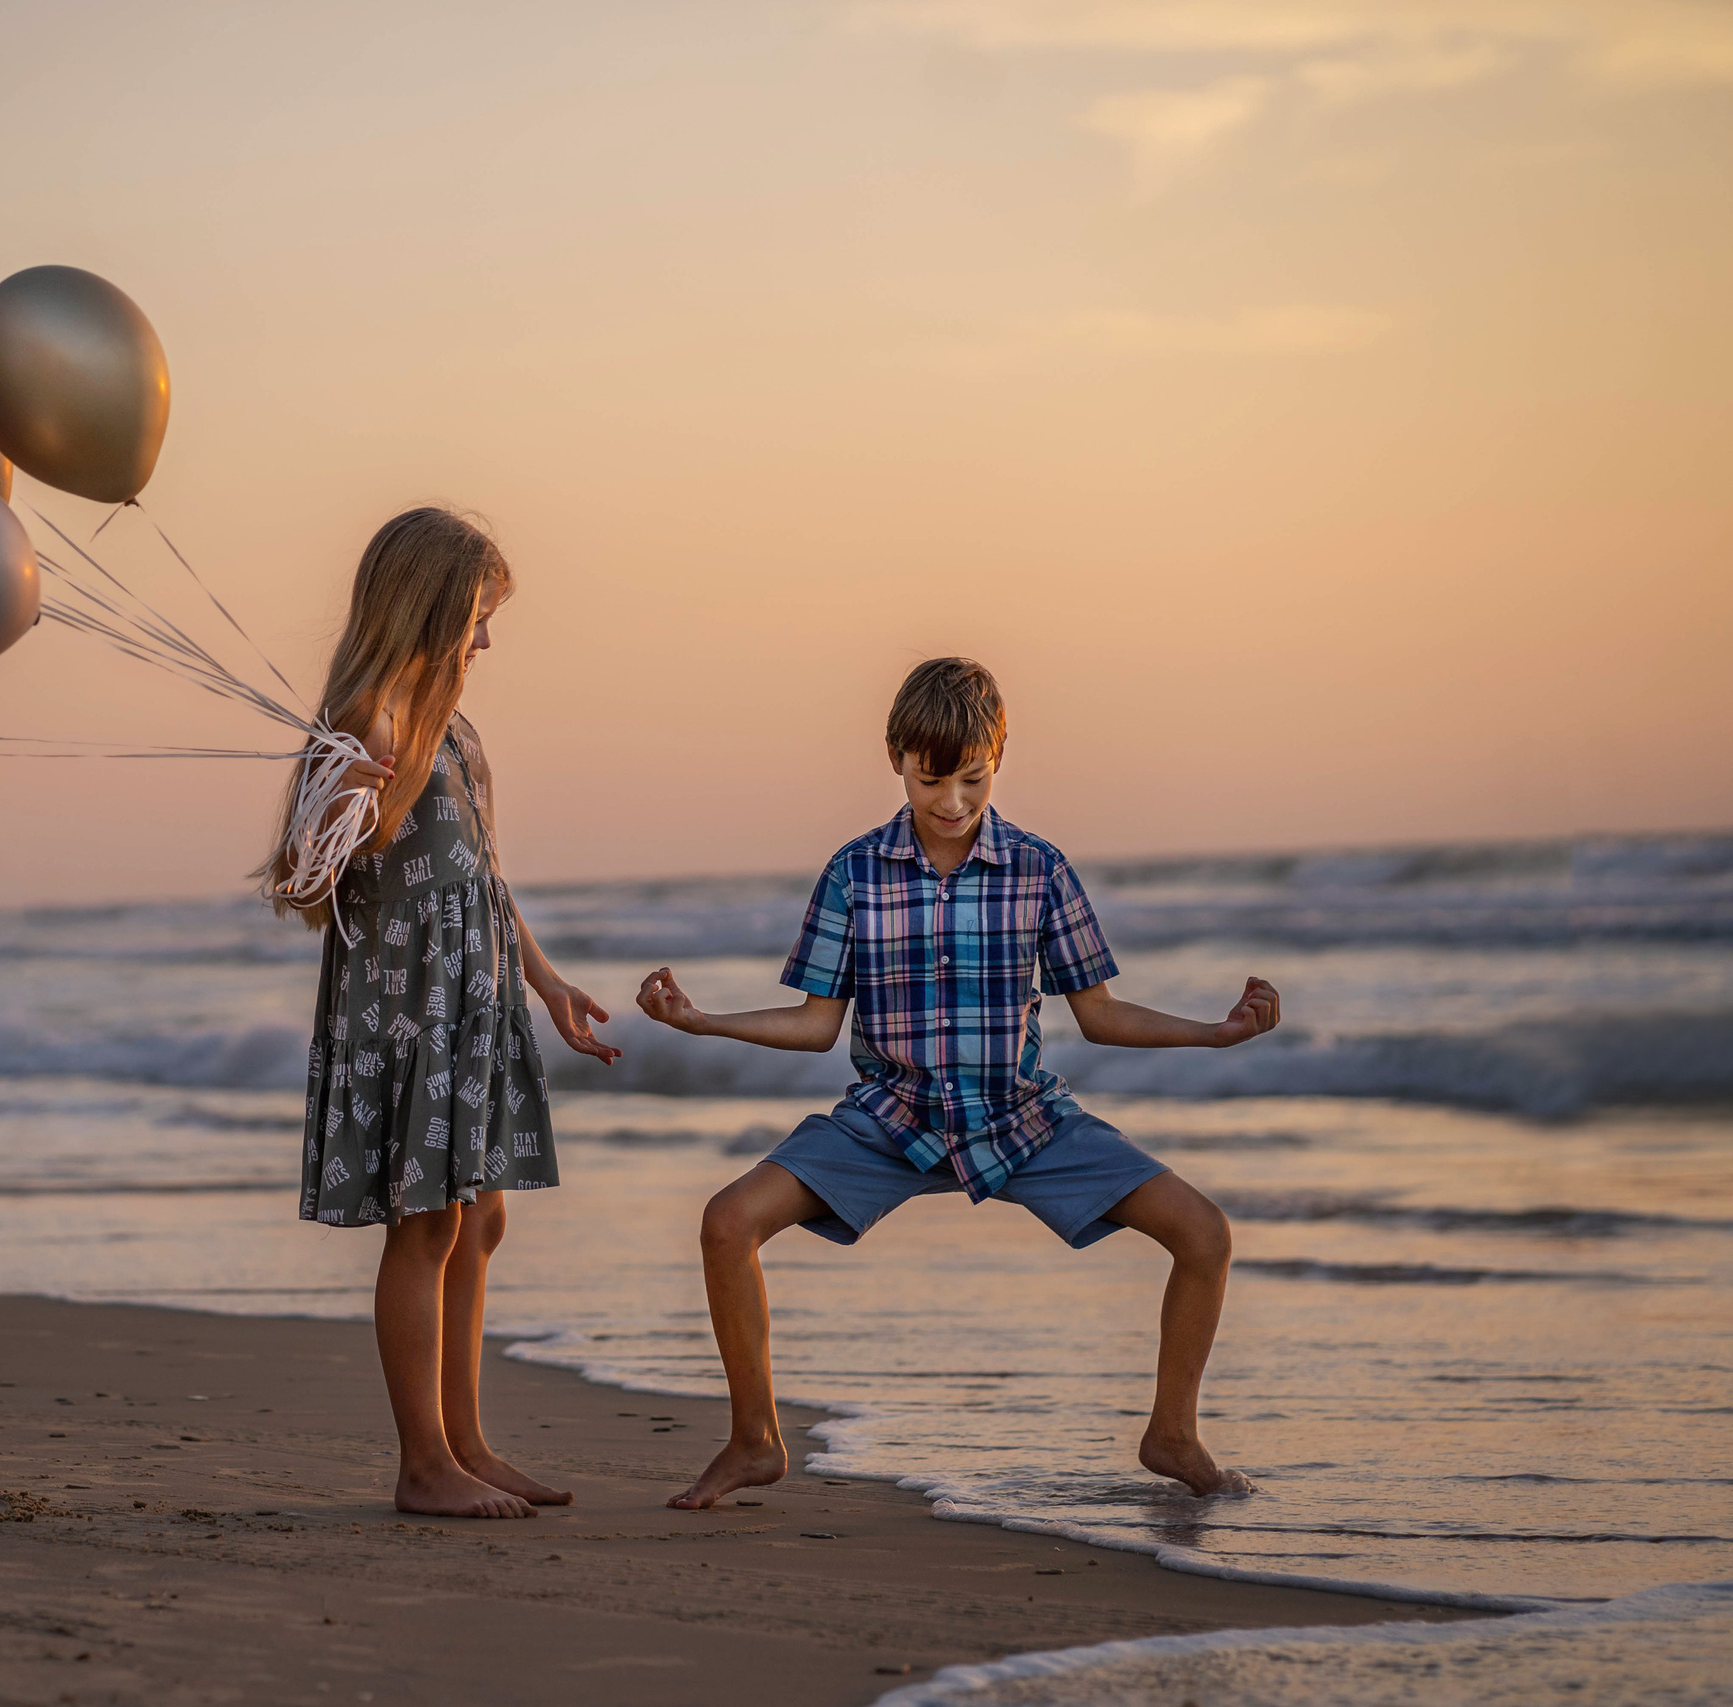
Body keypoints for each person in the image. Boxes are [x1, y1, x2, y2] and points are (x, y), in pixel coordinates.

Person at [635, 656, 1278, 1509]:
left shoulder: (1040, 869)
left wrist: (1216, 1032)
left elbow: (1100, 1014)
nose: (952, 800)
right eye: (930, 778)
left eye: (972, 778)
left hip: (1021, 1119)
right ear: (895, 759)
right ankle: (754, 1439)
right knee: (727, 1221)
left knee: (1204, 1233)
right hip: (888, 1119)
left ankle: (1174, 1432)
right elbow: (816, 1024)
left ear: (998, 757)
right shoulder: (854, 872)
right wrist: (702, 1020)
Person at [264, 506, 619, 1520]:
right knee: (427, 1222)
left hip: (477, 997)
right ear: (426, 609)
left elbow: (482, 876)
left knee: (481, 1216)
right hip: (408, 1008)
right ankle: (423, 1463)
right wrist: (345, 802)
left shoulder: (456, 732)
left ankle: (467, 1442)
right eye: (475, 617)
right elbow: (302, 883)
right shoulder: (368, 724)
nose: (486, 639)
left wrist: (544, 981)